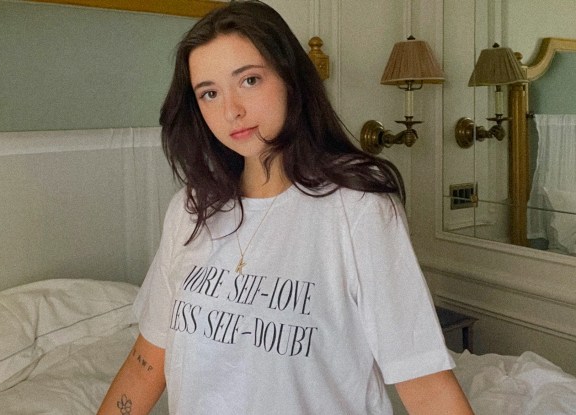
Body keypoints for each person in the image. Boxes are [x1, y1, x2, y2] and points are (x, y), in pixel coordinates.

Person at [98, 1, 474, 414]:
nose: (231, 111)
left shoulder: (358, 208)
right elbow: (147, 362)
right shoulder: (191, 209)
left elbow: (426, 384)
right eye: (210, 93)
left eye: (249, 80)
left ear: (290, 78)